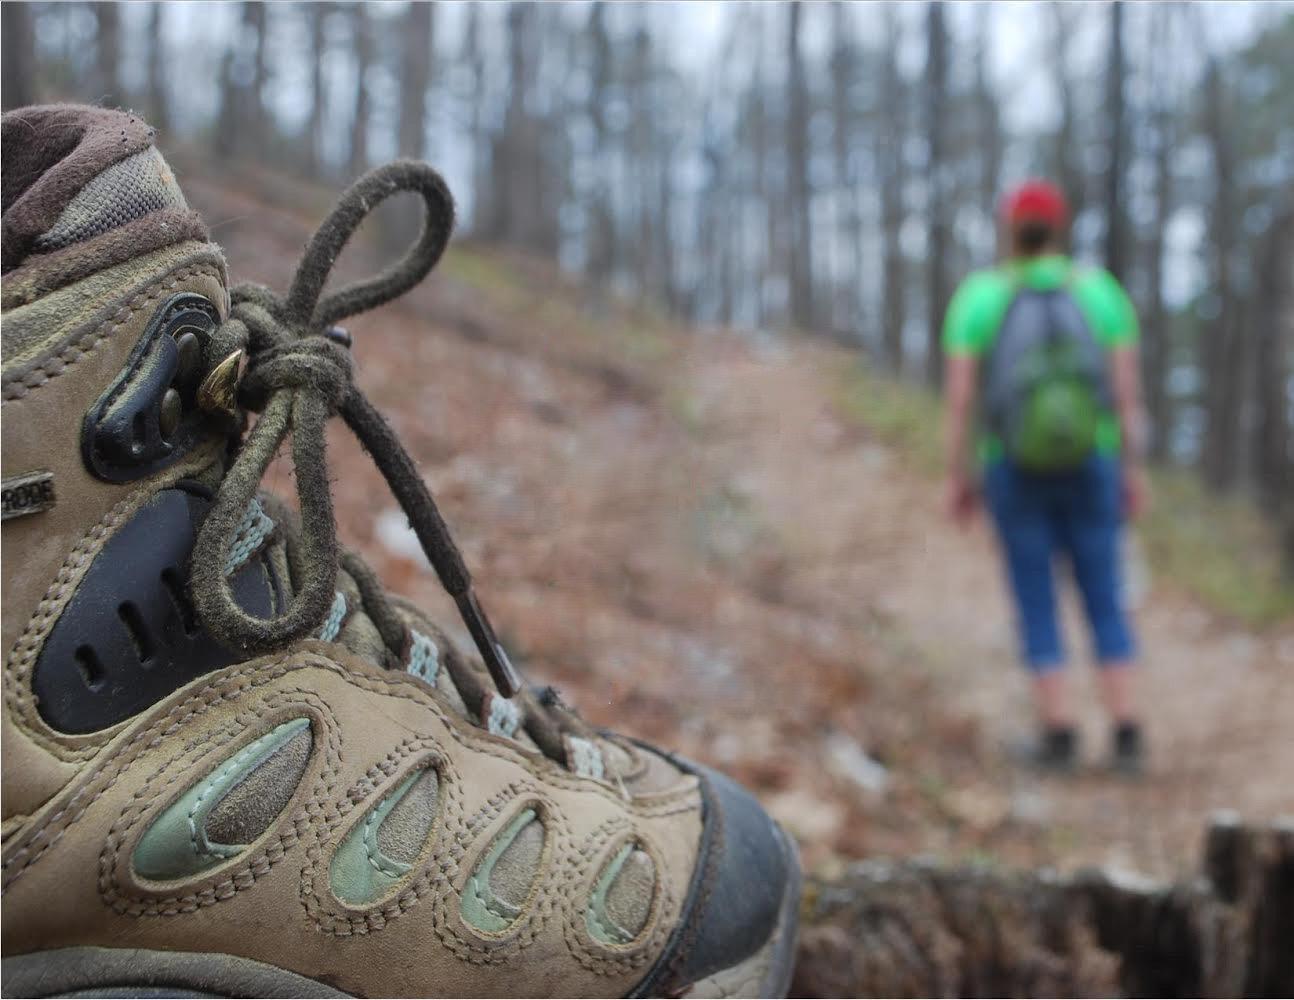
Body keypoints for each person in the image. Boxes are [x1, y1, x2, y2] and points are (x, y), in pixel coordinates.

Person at [941, 180, 1148, 774]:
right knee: (1104, 590)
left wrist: (957, 474)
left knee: (1035, 594)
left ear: (1010, 230)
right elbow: (1128, 396)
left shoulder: (981, 296)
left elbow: (960, 398)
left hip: (1013, 464)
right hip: (1095, 460)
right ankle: (1126, 728)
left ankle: (1060, 734)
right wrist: (1132, 469)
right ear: (1059, 228)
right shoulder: (1099, 292)